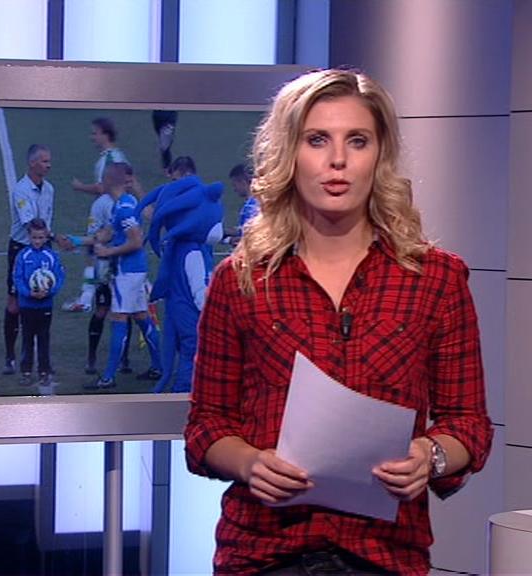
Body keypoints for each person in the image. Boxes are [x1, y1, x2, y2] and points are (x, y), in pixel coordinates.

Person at [184, 69, 493, 574]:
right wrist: (250, 463)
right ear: (290, 154)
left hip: (383, 556)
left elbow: (468, 424)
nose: (338, 160)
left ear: (380, 155)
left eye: (357, 141)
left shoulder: (436, 279)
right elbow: (206, 426)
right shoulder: (240, 280)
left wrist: (430, 456)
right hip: (264, 554)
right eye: (317, 140)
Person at [86, 163, 162, 389]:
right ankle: (158, 367)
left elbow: (136, 241)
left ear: (110, 180)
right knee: (141, 316)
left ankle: (108, 377)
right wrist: (76, 241)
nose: (101, 183)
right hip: (135, 271)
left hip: (127, 273)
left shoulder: (124, 209)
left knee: (118, 319)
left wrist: (108, 252)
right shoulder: (125, 204)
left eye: (103, 178)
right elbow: (107, 233)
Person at [64, 117, 129, 313]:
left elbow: (102, 187)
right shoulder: (117, 156)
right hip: (112, 205)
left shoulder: (109, 159)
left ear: (105, 134)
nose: (92, 137)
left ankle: (87, 298)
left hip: (106, 207)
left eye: (95, 133)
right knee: (104, 248)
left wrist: (80, 187)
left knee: (94, 248)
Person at [3, 144, 56, 375]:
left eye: (49, 161)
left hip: (44, 247)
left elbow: (47, 221)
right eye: (44, 161)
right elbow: (31, 224)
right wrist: (55, 237)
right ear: (32, 163)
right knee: (15, 302)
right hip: (21, 248)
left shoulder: (49, 189)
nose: (48, 165)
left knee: (45, 298)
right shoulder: (21, 190)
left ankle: (43, 360)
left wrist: (49, 241)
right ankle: (10, 356)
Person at [11, 218, 65, 387]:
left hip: (45, 305)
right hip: (27, 306)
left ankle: (44, 371)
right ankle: (26, 372)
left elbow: (59, 277)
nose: (37, 241)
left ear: (46, 237)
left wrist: (50, 292)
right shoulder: (23, 256)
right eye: (34, 237)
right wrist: (29, 293)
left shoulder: (51, 256)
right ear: (29, 237)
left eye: (41, 238)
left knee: (43, 338)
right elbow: (17, 278)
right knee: (27, 339)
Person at [224, 162, 259, 246]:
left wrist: (230, 240)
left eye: (234, 185)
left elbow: (252, 237)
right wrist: (230, 232)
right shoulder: (258, 202)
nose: (234, 189)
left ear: (242, 182)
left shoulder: (251, 207)